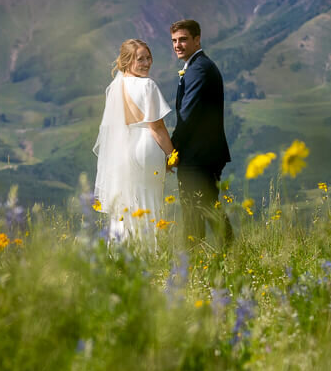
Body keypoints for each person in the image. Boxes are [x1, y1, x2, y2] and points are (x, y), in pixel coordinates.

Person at [92, 38, 175, 248]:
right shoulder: (147, 85)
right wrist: (173, 155)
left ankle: (121, 251)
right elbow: (157, 128)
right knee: (149, 200)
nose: (147, 63)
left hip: (124, 148)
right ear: (128, 61)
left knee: (126, 201)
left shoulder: (115, 87)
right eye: (141, 59)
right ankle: (148, 251)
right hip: (146, 146)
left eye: (149, 58)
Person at [169, 19, 233, 249]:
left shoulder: (199, 69)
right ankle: (227, 254)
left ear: (197, 39)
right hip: (203, 153)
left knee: (196, 212)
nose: (178, 45)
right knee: (205, 208)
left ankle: (195, 263)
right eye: (175, 41)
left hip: (199, 156)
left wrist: (171, 152)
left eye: (183, 39)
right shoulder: (198, 66)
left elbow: (187, 116)